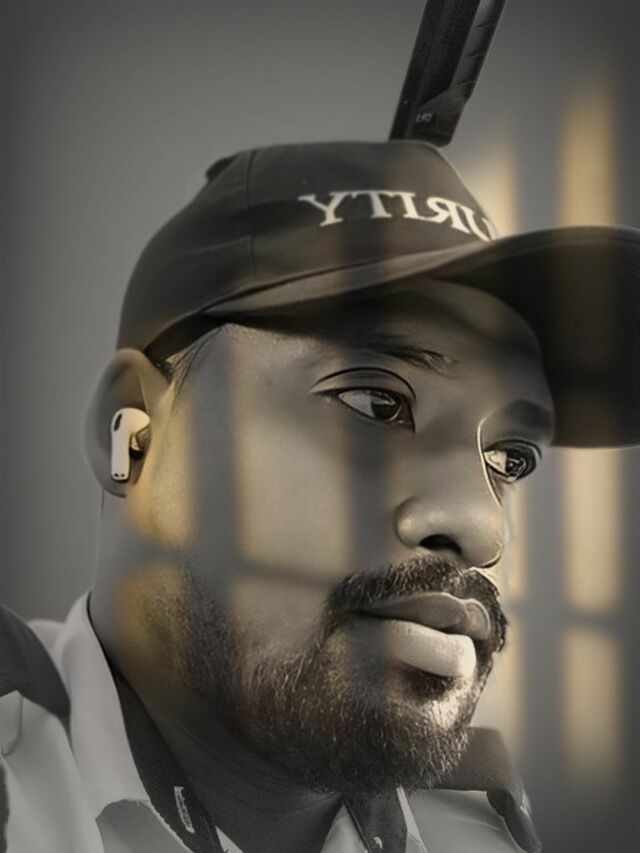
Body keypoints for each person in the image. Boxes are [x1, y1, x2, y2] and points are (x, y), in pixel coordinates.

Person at [1, 141, 638, 853]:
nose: (483, 526)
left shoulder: (485, 833)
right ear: (133, 433)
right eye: (374, 402)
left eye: (509, 459)